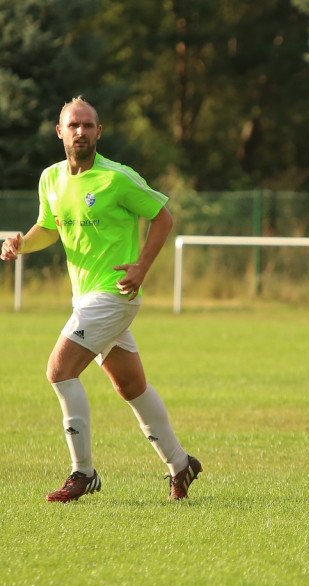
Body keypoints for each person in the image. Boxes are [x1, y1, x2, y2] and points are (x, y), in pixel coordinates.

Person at [0, 96, 201, 502]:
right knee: (131, 386)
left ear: (99, 132)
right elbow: (48, 228)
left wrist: (142, 266)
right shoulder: (51, 179)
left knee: (59, 371)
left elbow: (163, 217)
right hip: (85, 298)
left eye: (88, 126)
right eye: (73, 125)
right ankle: (181, 464)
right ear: (60, 131)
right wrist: (21, 244)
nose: (81, 132)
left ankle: (83, 472)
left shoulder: (117, 178)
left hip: (115, 294)